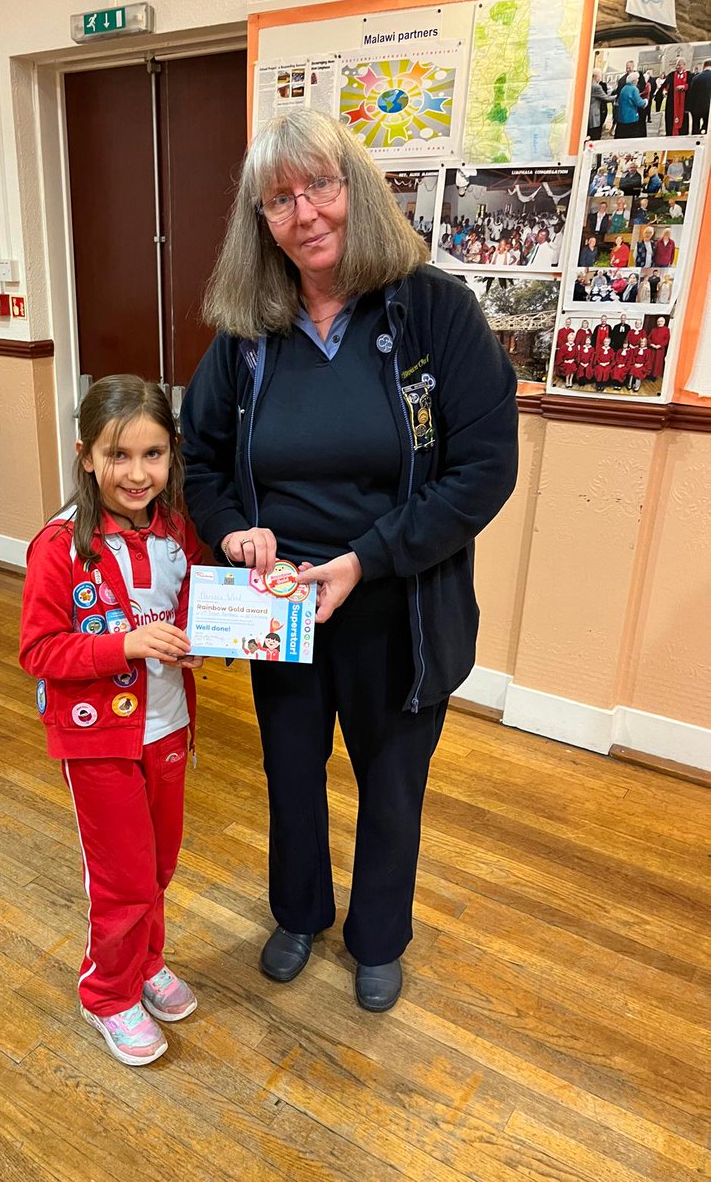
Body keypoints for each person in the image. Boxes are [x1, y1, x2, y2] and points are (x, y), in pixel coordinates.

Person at [181, 109, 518, 1013]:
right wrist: (232, 533)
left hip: (399, 605)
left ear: (355, 189)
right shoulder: (248, 332)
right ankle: (297, 913)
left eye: (319, 186)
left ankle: (378, 937)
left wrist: (367, 560)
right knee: (291, 775)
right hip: (282, 608)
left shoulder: (434, 311)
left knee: (392, 785)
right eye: (279, 199)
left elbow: (484, 470)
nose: (305, 213)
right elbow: (199, 461)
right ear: (261, 221)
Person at [19, 376, 203, 1067]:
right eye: (117, 455)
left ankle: (145, 963)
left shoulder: (178, 531)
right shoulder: (59, 546)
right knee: (121, 877)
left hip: (169, 727)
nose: (136, 473)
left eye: (152, 454)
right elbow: (38, 650)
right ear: (87, 456)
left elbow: (194, 610)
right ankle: (106, 993)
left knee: (158, 864)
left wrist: (211, 633)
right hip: (97, 739)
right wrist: (124, 645)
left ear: (171, 454)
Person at [655, 59, 692, 135]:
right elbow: (665, 86)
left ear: (684, 65)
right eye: (677, 65)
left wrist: (684, 86)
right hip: (672, 102)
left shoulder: (689, 75)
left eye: (680, 65)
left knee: (683, 120)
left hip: (683, 103)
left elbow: (692, 85)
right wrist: (664, 91)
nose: (678, 66)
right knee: (671, 119)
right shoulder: (672, 75)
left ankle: (682, 134)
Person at [615, 71, 648, 138]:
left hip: (622, 117)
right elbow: (639, 102)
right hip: (631, 117)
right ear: (634, 80)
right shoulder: (634, 89)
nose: (638, 80)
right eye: (637, 79)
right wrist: (645, 101)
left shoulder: (624, 88)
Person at [687, 60, 711, 134]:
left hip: (696, 107)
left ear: (704, 66)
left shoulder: (696, 78)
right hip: (709, 107)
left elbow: (691, 94)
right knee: (708, 127)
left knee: (695, 126)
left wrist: (689, 107)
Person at [647, 316, 671, 381]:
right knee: (650, 362)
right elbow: (649, 337)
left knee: (657, 363)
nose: (659, 322)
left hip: (659, 350)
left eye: (661, 321)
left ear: (664, 322)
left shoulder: (666, 329)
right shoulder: (653, 329)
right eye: (658, 321)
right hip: (652, 348)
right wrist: (651, 344)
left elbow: (666, 339)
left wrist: (660, 345)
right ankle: (649, 374)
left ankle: (654, 376)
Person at [588, 70, 609, 140]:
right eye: (600, 76)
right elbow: (606, 98)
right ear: (596, 76)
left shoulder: (589, 84)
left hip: (591, 114)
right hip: (595, 114)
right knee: (595, 134)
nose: (600, 78)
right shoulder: (597, 86)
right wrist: (617, 96)